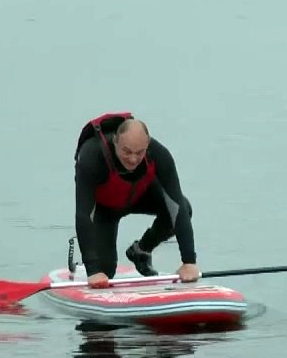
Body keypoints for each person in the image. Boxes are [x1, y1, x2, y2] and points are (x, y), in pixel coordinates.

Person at [73, 112, 199, 289]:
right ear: (115, 141)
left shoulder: (159, 154)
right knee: (105, 274)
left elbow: (176, 206)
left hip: (140, 197)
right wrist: (93, 270)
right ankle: (87, 267)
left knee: (185, 207)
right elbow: (84, 214)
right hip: (104, 210)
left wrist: (189, 261)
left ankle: (142, 251)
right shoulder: (92, 155)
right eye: (126, 151)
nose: (133, 159)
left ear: (147, 145)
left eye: (139, 153)